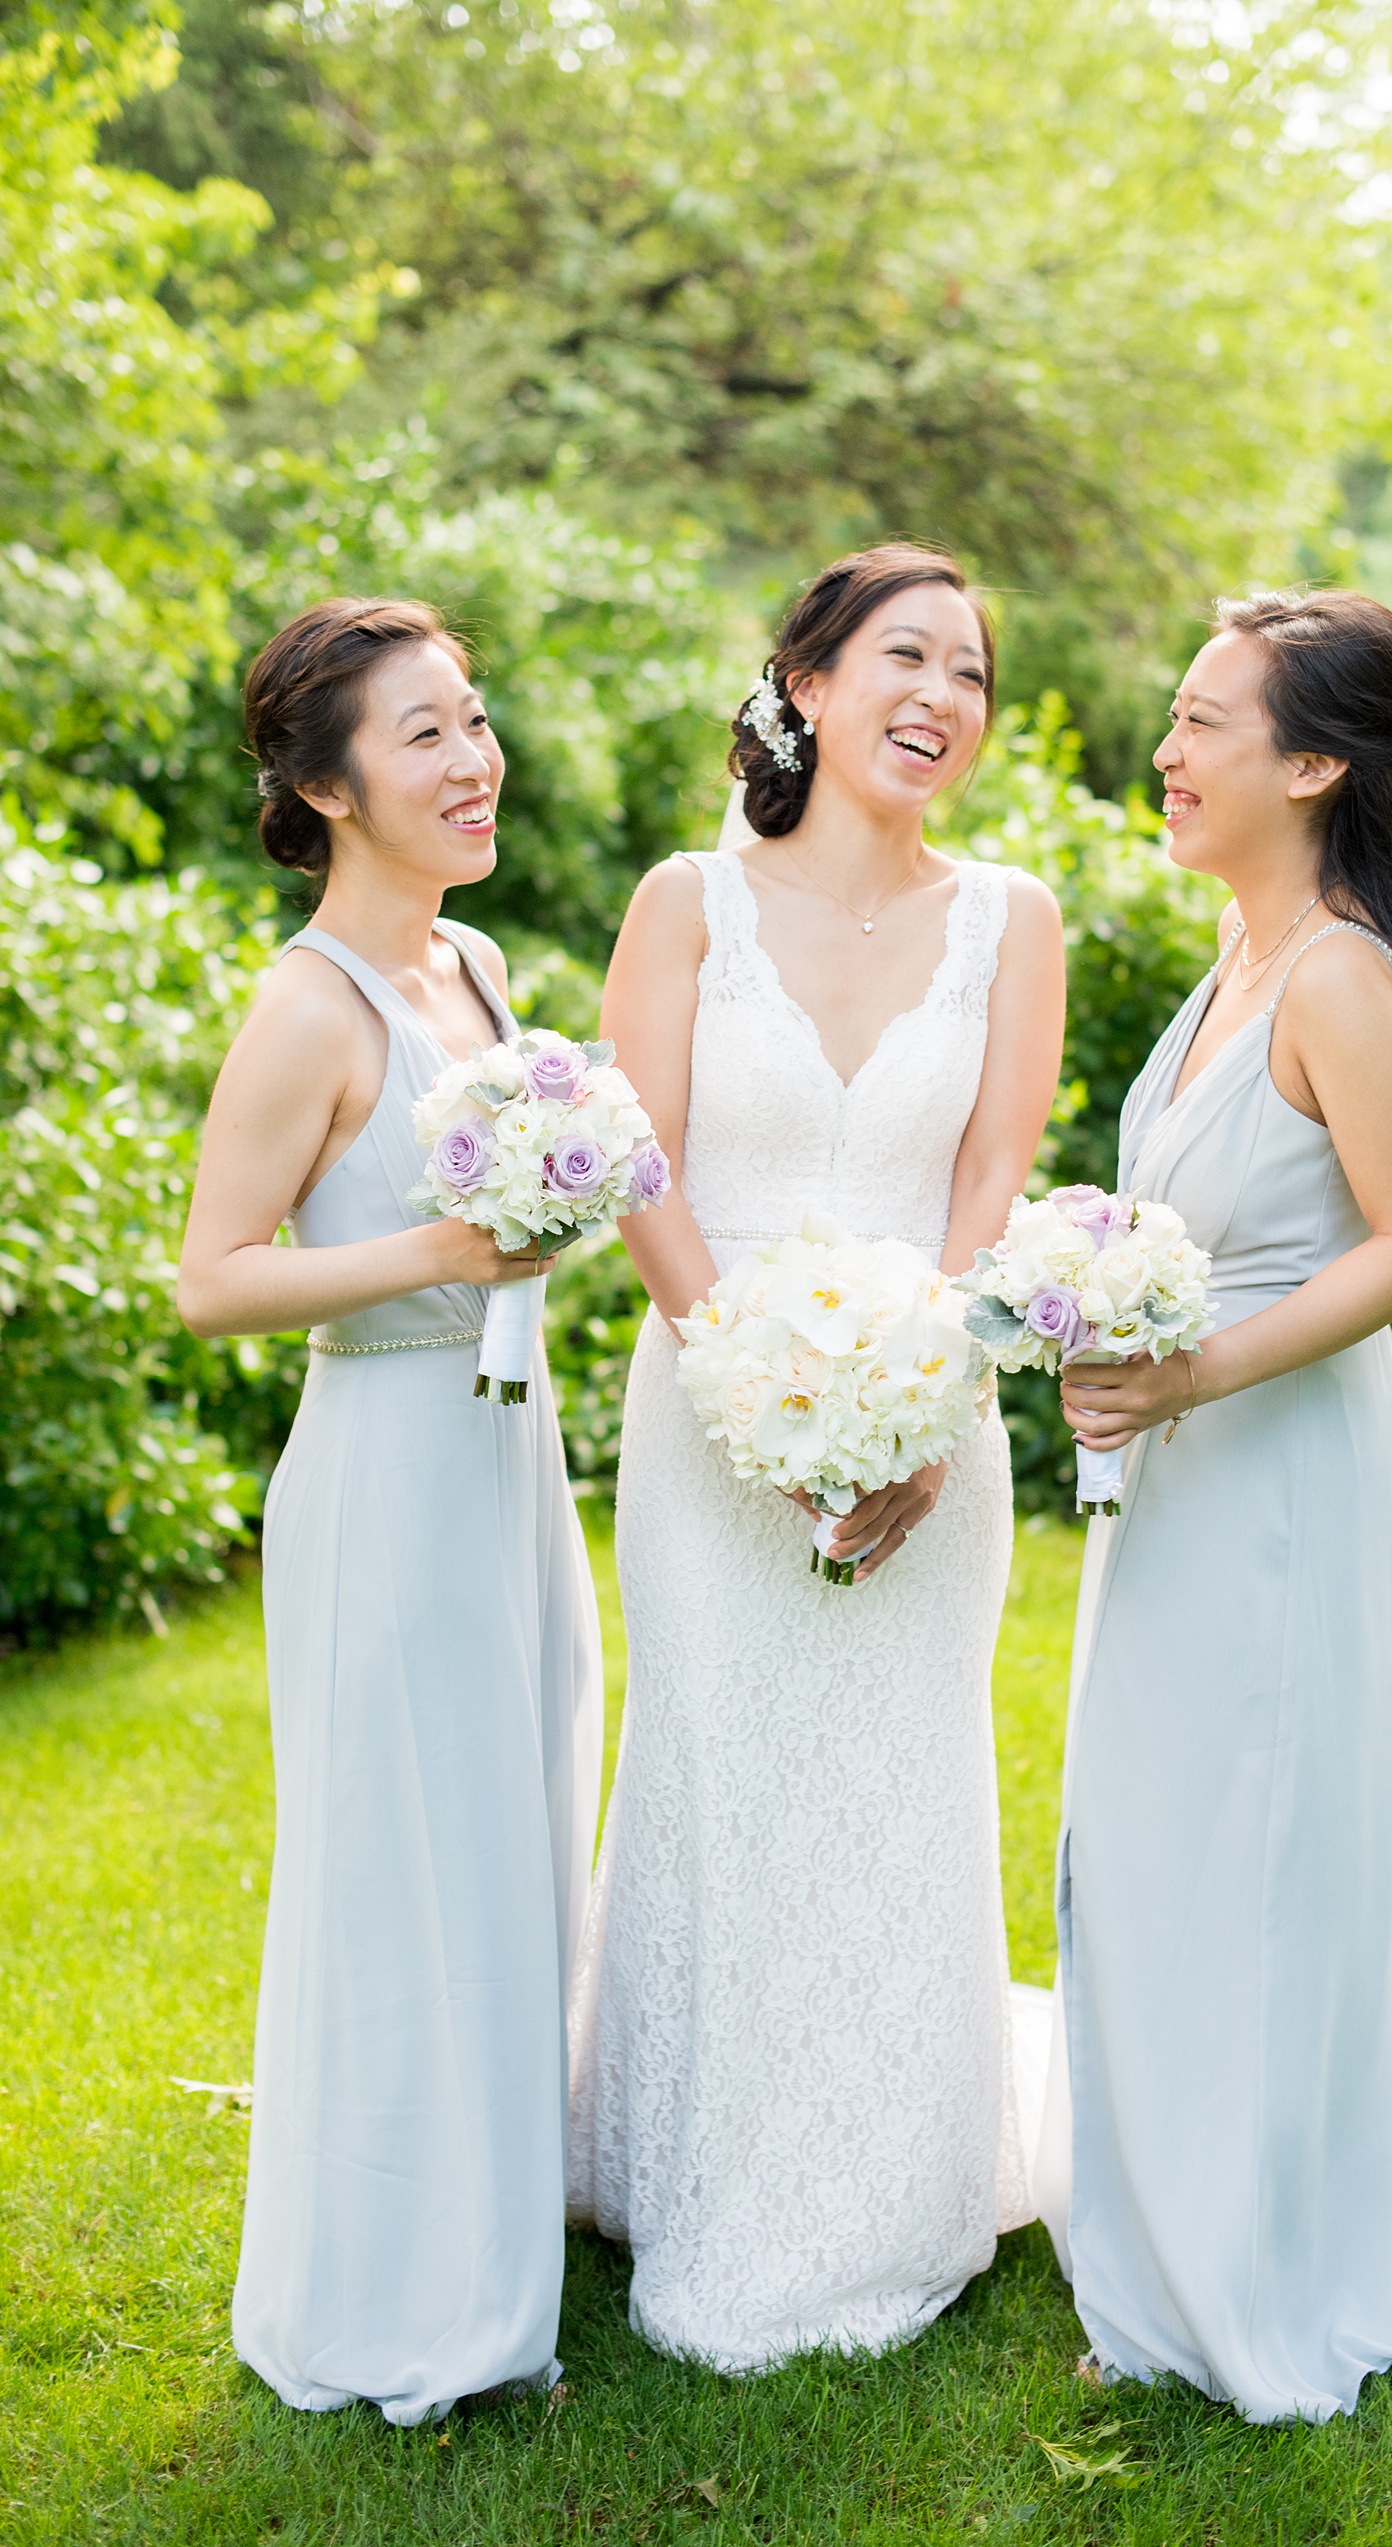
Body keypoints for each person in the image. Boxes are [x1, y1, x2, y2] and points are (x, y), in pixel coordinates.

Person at [567, 543, 1067, 2371]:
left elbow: (992, 1181)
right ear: (808, 676)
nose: (942, 698)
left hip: (931, 1429)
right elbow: (646, 1167)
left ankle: (887, 2180)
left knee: (895, 1782)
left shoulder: (1012, 916)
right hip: (711, 1420)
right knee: (726, 1770)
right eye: (905, 658)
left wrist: (924, 1409)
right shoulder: (688, 900)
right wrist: (746, 1398)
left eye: (973, 674)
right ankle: (697, 2158)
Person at [1051, 589, 1392, 2423]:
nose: (1168, 753)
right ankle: (1165, 2252)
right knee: (1156, 1850)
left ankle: (1262, 2273)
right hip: (1181, 1485)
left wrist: (1186, 1374)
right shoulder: (1235, 960)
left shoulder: (1333, 973)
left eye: (1202, 725)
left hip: (1285, 1486)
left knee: (1253, 1855)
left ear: (1314, 762)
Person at [177, 598, 602, 2425]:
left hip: (512, 1455)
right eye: (423, 732)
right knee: (406, 1875)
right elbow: (211, 1278)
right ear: (325, 785)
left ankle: (501, 2242)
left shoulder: (481, 968)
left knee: (514, 1846)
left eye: (475, 719)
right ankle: (401, 2293)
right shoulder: (307, 1007)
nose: (471, 758)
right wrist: (438, 1250)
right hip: (387, 1471)